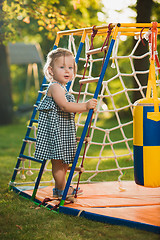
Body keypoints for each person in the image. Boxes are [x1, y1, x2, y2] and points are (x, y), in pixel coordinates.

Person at [34, 48, 97, 199]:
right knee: (58, 164)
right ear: (51, 70)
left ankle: (59, 189)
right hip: (56, 134)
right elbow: (65, 106)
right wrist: (85, 106)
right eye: (61, 67)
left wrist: (82, 107)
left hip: (62, 132)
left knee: (63, 164)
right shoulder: (55, 87)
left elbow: (67, 108)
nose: (67, 70)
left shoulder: (62, 88)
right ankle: (62, 190)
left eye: (70, 67)